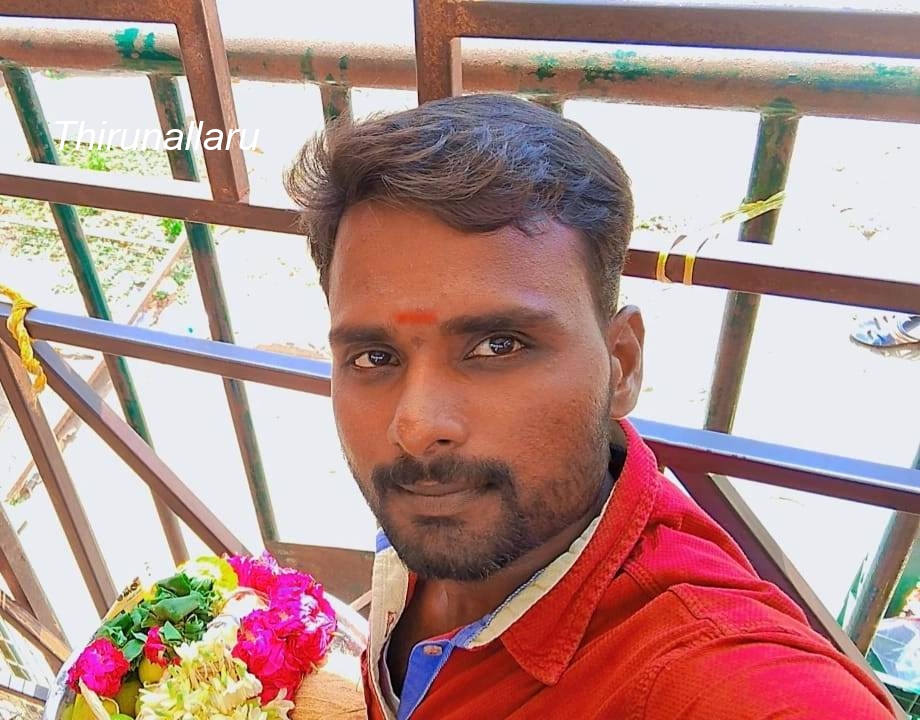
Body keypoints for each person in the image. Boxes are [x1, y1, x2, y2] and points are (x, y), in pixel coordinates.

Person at [284, 94, 898, 719]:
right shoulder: (458, 511)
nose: (415, 427)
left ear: (620, 364)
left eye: (498, 346)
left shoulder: (718, 679)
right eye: (375, 357)